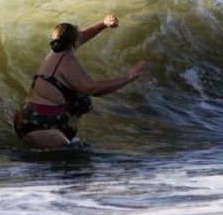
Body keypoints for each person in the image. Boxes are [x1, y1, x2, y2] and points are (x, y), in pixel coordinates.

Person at [14, 15, 146, 148]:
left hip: (29, 121)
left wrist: (103, 24)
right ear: (75, 41)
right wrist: (128, 78)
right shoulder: (67, 60)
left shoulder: (54, 54)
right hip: (41, 126)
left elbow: (82, 36)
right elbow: (93, 88)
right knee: (72, 160)